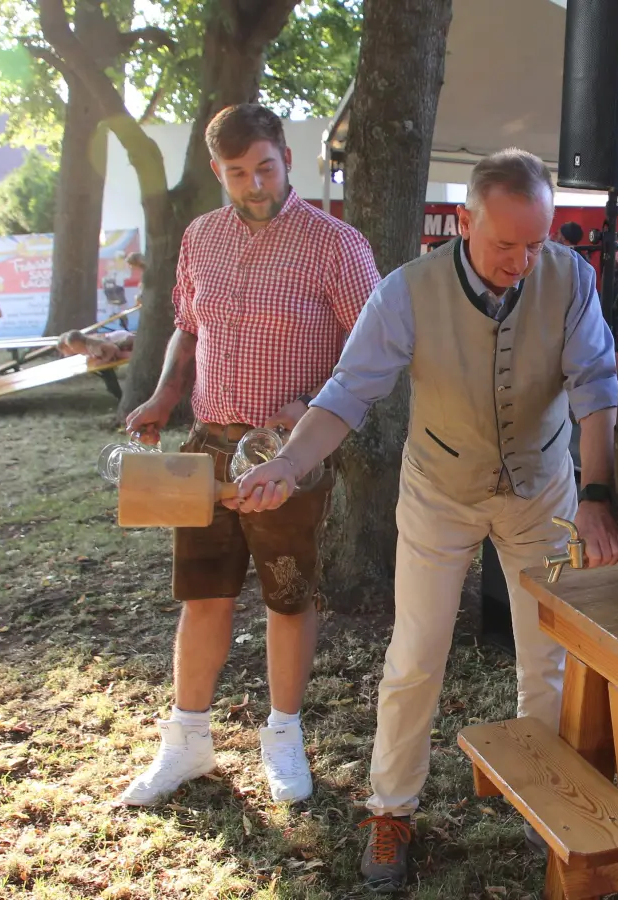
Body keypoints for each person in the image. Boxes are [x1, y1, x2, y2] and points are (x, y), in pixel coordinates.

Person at [231, 148, 618, 891]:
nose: (522, 259)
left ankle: (547, 800)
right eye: (505, 243)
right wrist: (287, 463)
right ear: (466, 221)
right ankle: (391, 811)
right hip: (441, 489)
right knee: (416, 654)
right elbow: (349, 391)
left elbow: (595, 385)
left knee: (550, 656)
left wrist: (597, 495)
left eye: (536, 242)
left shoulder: (571, 279)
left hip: (542, 487)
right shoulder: (407, 292)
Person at [117, 102, 381, 808]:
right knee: (202, 595)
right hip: (206, 443)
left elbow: (375, 354)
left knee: (288, 598)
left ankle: (283, 737)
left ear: (286, 157)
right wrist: (163, 394)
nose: (254, 183)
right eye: (238, 173)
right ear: (218, 172)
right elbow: (186, 328)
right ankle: (187, 742)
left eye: (264, 166)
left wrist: (304, 414)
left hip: (289, 450)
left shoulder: (337, 245)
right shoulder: (200, 236)